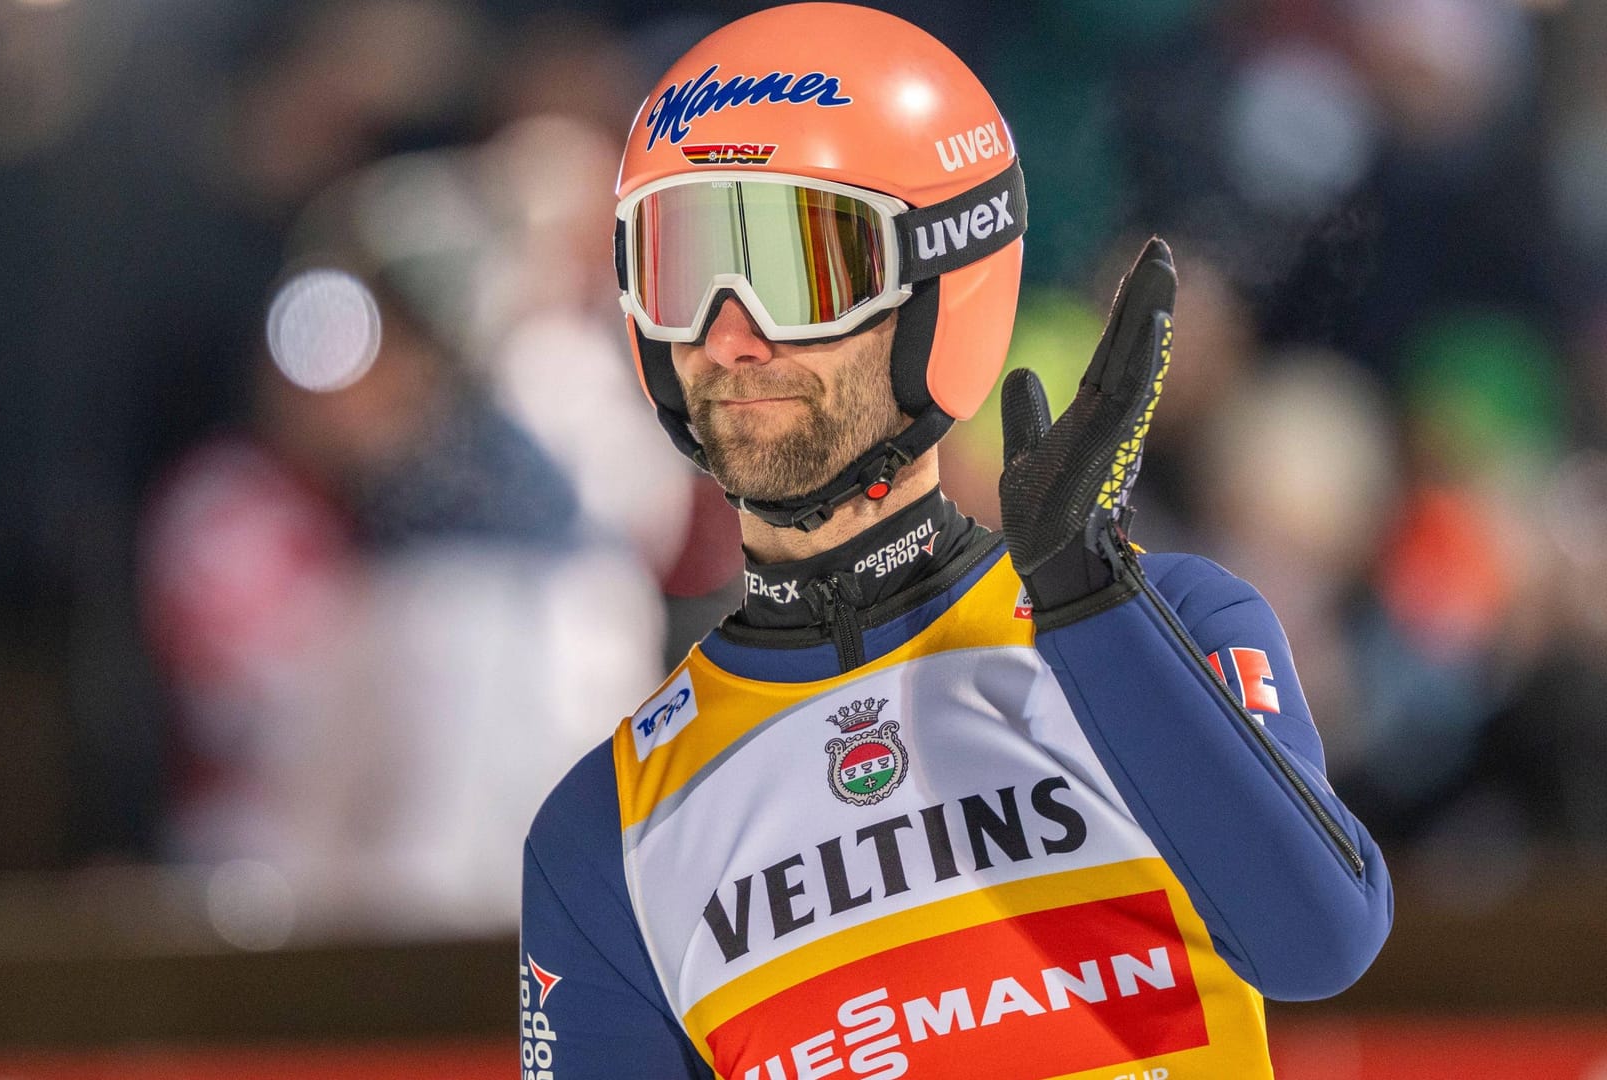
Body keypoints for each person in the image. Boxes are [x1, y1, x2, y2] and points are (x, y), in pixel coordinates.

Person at [519, 5, 1393, 1078]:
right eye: (679, 267)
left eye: (796, 270)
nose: (730, 334)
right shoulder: (602, 834)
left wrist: (1089, 598)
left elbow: (1318, 941)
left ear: (944, 282)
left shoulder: (1172, 625)